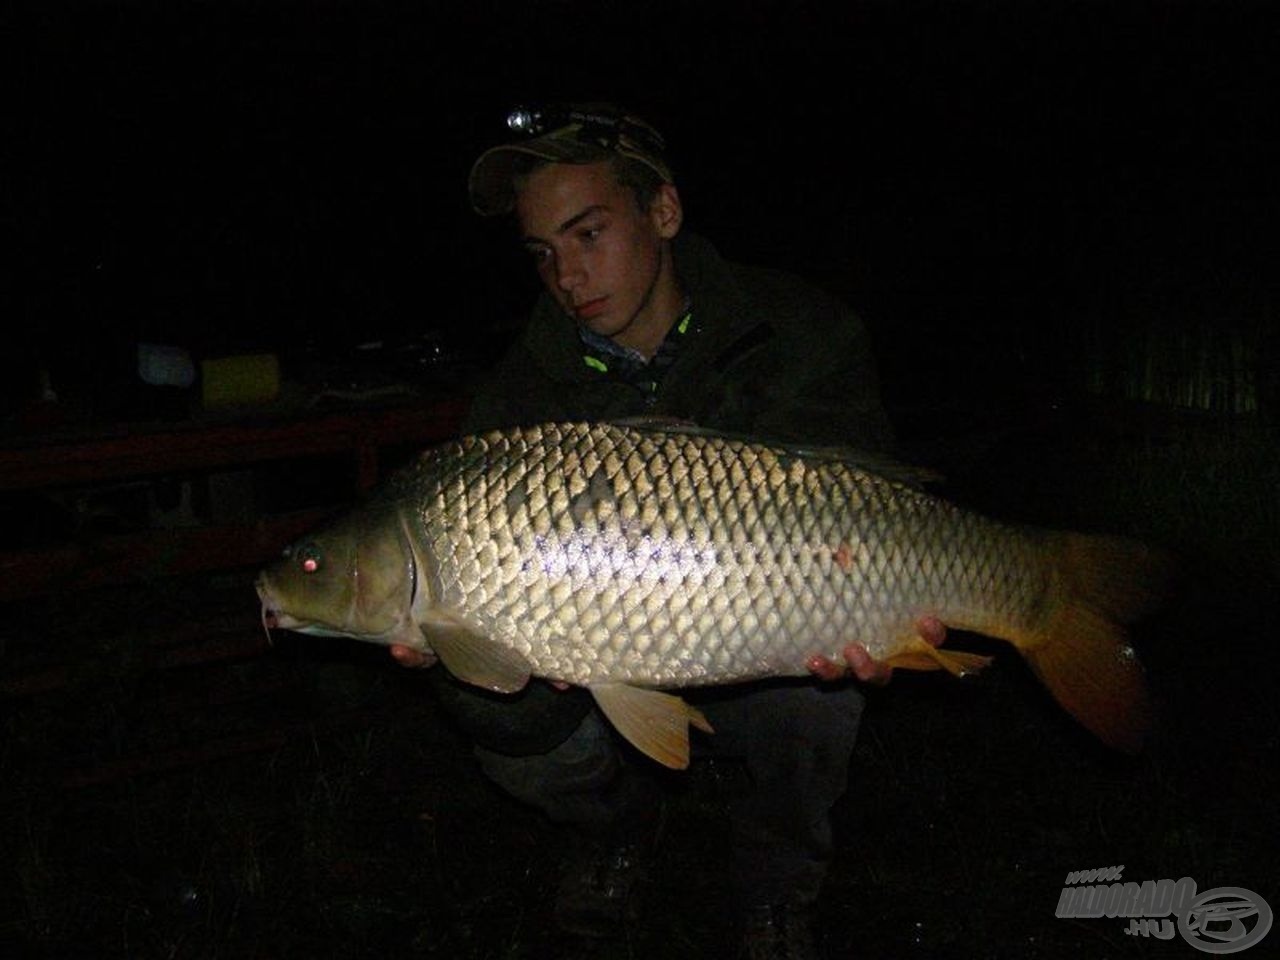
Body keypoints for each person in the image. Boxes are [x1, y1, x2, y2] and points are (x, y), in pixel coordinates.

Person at [391, 103, 943, 960]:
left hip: (771, 617)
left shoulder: (798, 329)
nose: (567, 276)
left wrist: (883, 611)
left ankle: (775, 886)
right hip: (604, 644)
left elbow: (865, 495)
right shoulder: (521, 395)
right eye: (542, 253)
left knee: (820, 695)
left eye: (589, 233)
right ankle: (611, 828)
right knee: (482, 703)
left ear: (664, 213)